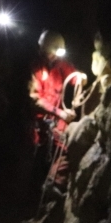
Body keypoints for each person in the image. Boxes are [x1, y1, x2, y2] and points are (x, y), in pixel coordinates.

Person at [29, 30, 80, 195]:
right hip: (39, 124)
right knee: (37, 158)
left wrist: (80, 82)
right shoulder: (36, 68)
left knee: (63, 154)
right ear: (43, 51)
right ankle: (32, 195)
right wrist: (60, 113)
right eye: (50, 53)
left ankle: (53, 191)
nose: (53, 57)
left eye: (55, 54)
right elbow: (35, 100)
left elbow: (76, 77)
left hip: (57, 123)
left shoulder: (60, 64)